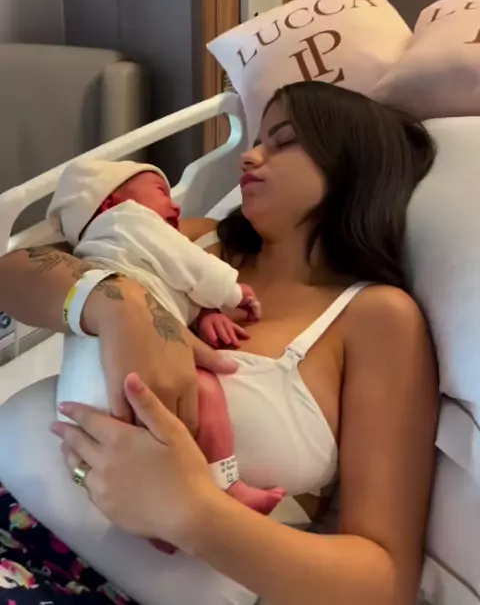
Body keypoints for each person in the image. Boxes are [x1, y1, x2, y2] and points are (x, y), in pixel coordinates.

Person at [0, 81, 439, 605]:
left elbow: (386, 582)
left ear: (352, 163)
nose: (250, 157)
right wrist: (119, 305)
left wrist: (191, 512)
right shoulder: (200, 240)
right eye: (256, 140)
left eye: (284, 141)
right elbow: (13, 273)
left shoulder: (376, 318)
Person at [50, 157, 283, 538]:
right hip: (124, 376)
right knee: (206, 391)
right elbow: (188, 264)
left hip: (81, 394)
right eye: (161, 191)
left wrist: (205, 314)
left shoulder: (105, 252)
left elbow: (165, 292)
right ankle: (227, 486)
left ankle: (152, 528)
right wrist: (231, 292)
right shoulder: (129, 221)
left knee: (140, 462)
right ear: (111, 204)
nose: (175, 205)